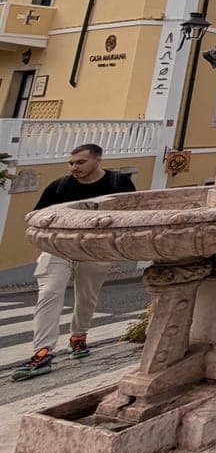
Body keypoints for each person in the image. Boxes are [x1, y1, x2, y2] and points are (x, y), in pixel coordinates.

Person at [11, 144, 135, 381]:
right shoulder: (60, 186)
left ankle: (79, 336)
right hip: (58, 248)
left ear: (98, 160)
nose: (74, 167)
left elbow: (127, 213)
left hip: (94, 250)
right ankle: (42, 352)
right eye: (71, 163)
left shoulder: (118, 184)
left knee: (87, 297)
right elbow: (38, 215)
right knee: (49, 293)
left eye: (80, 162)